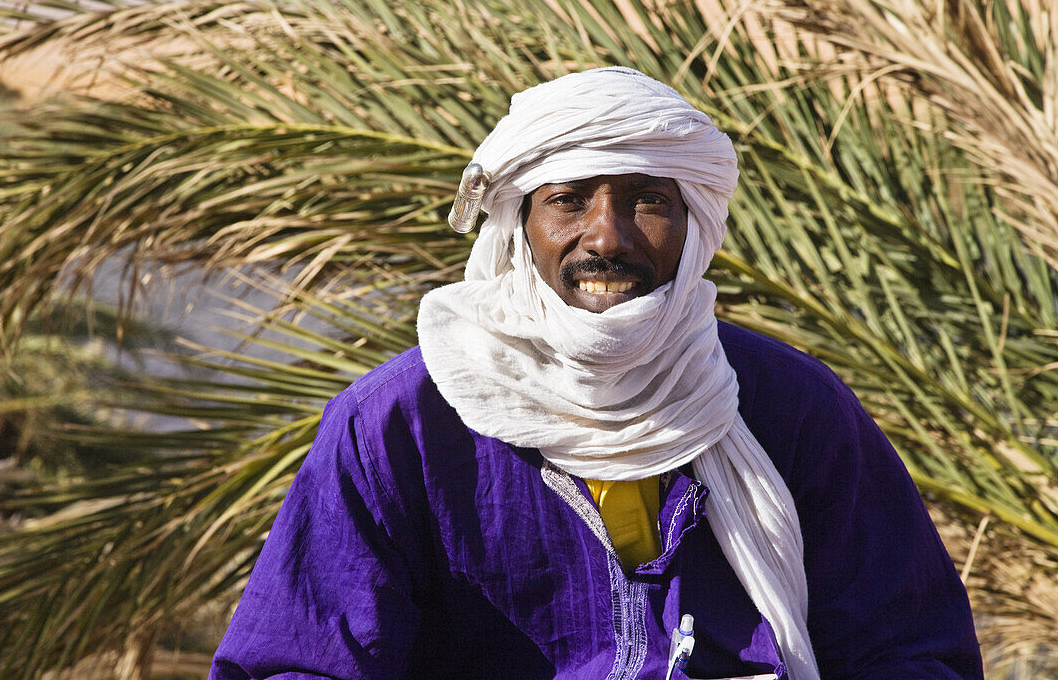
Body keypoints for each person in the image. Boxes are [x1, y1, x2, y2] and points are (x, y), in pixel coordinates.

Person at [209, 68, 983, 679]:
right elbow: (299, 665)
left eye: (648, 201)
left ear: (692, 229)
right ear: (520, 227)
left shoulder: (791, 407)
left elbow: (908, 650)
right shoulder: (399, 426)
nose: (606, 237)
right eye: (569, 201)